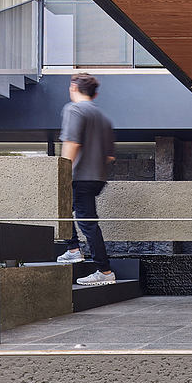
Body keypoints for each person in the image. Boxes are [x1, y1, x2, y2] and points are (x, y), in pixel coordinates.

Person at [55, 73, 117, 286]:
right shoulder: (104, 119)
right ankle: (73, 249)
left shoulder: (74, 110)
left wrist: (62, 173)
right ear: (95, 93)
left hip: (79, 176)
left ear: (73, 87)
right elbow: (109, 156)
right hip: (97, 178)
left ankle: (104, 270)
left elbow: (72, 143)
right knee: (69, 213)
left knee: (85, 221)